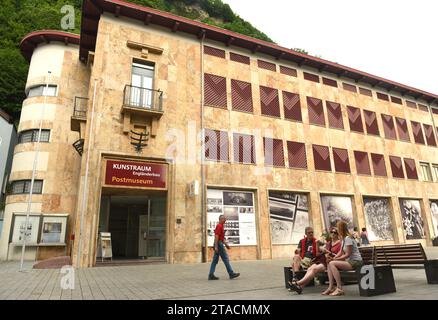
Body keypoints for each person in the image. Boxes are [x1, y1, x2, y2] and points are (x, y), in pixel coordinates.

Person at [289, 227, 342, 294]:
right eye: (331, 232)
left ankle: (297, 283)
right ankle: (300, 287)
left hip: (328, 263)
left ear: (338, 234)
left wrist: (328, 253)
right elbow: (318, 253)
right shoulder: (328, 243)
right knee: (310, 268)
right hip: (321, 260)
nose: (333, 234)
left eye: (335, 232)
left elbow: (340, 254)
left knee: (314, 269)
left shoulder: (340, 243)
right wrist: (321, 249)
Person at [322, 221, 363, 296]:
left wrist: (334, 260)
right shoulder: (343, 239)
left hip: (356, 262)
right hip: (350, 261)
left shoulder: (348, 238)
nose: (337, 230)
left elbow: (347, 254)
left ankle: (339, 288)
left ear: (341, 228)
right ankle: (331, 287)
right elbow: (340, 252)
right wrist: (333, 258)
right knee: (329, 263)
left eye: (338, 228)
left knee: (332, 263)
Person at [208, 215, 240, 280]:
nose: (225, 220)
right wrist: (216, 246)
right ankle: (231, 273)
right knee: (225, 259)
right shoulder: (219, 226)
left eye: (225, 219)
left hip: (219, 243)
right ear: (221, 219)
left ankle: (211, 274)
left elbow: (221, 238)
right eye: (224, 219)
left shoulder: (221, 226)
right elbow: (216, 236)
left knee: (215, 260)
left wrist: (226, 244)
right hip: (219, 244)